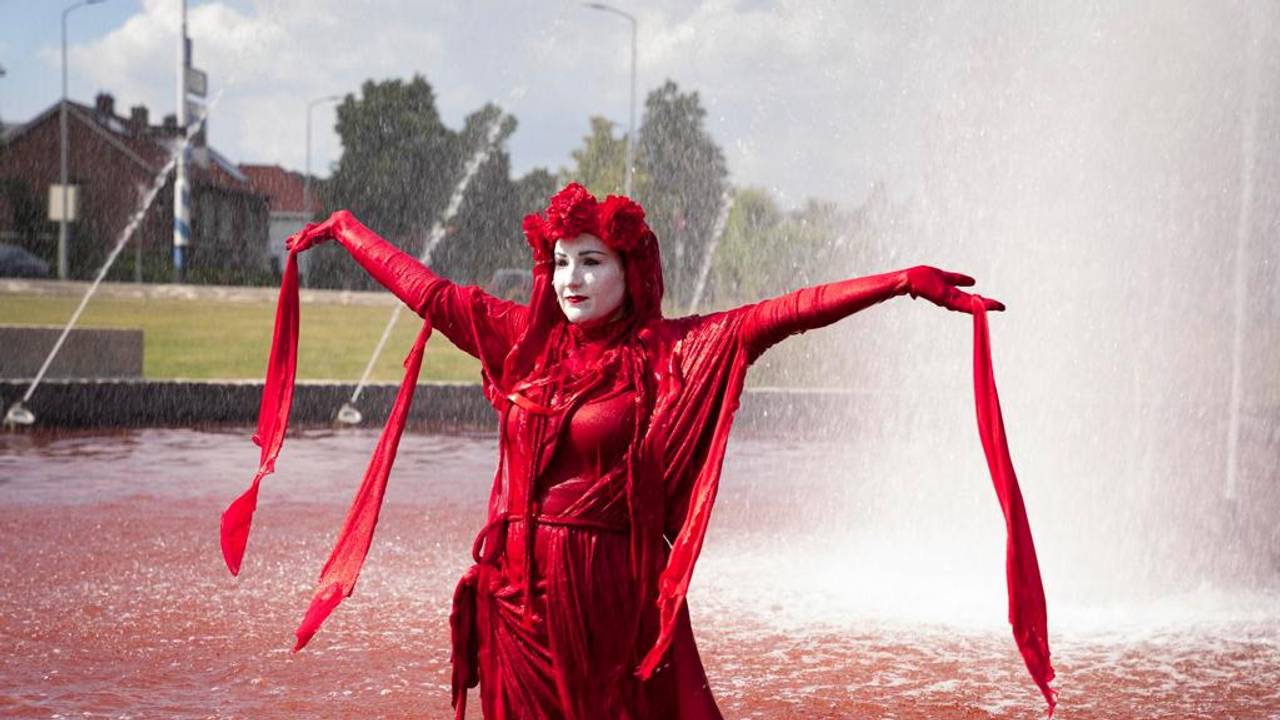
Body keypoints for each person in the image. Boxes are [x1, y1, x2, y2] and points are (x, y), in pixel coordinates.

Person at [222, 183, 1053, 719]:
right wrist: (346, 230)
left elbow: (788, 311)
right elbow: (429, 292)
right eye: (560, 263)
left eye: (592, 262)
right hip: (515, 595)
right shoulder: (522, 340)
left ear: (631, 269)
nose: (571, 279)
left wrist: (900, 282)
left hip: (607, 598)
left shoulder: (675, 353)